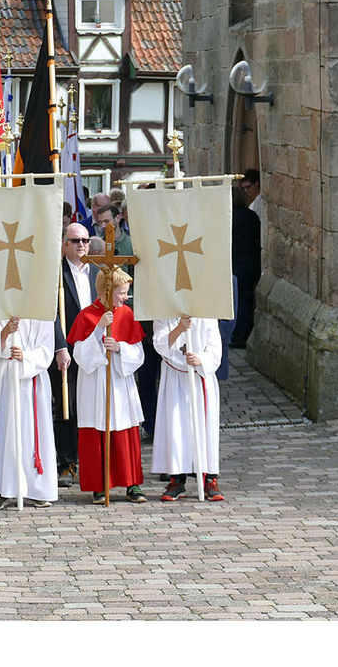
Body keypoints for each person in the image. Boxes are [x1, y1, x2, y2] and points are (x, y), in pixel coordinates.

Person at [66, 269, 146, 504]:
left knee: (125, 430)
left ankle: (132, 484)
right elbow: (80, 355)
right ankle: (99, 486)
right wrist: (99, 328)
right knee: (97, 432)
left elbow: (139, 354)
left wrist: (120, 348)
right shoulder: (86, 316)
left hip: (120, 383)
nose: (125, 298)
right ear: (107, 292)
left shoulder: (127, 314)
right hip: (95, 384)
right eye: (121, 293)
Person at [0, 317, 58, 510]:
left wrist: (26, 356)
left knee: (32, 433)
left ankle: (36, 489)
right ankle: (2, 488)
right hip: (6, 377)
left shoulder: (42, 313)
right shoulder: (2, 311)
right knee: (4, 431)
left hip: (33, 378)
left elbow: (46, 350)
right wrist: (6, 332)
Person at [151, 315, 225, 502]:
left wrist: (200, 359)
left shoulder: (206, 314)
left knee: (204, 428)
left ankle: (209, 478)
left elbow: (215, 348)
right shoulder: (163, 314)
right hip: (175, 376)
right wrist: (178, 329)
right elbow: (159, 343)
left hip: (199, 376)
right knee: (176, 428)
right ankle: (177, 478)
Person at [50, 223, 98, 488]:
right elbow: (52, 314)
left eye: (85, 240)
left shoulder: (98, 272)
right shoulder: (55, 273)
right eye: (75, 240)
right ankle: (66, 462)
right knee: (65, 406)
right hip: (66, 349)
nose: (81, 245)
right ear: (64, 244)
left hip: (94, 350)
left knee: (90, 405)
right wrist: (59, 347)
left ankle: (90, 458)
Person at [230, 184, 262, 348]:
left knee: (237, 300)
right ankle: (245, 331)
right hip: (252, 263)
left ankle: (238, 334)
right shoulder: (251, 216)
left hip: (235, 263)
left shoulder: (226, 217)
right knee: (246, 299)